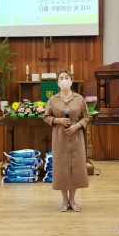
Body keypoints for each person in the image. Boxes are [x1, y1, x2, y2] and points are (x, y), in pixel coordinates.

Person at [44, 70, 90, 212]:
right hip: (60, 137)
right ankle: (64, 200)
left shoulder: (79, 98)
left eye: (66, 77)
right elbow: (46, 117)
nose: (64, 80)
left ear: (71, 80)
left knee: (76, 167)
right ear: (58, 82)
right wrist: (58, 120)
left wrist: (77, 126)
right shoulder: (53, 99)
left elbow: (87, 116)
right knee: (62, 168)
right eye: (61, 78)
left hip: (76, 137)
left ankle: (73, 200)